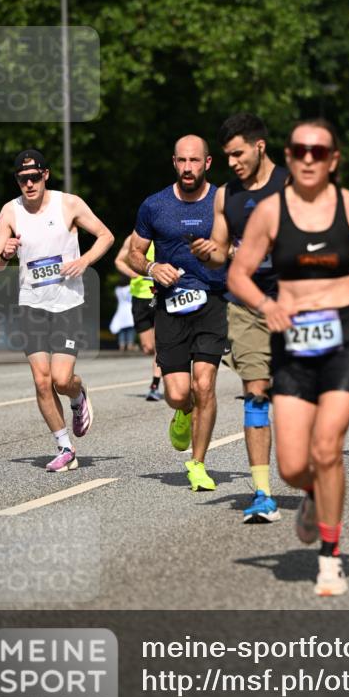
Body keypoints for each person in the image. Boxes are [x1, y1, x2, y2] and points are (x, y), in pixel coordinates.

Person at [228, 119, 349, 596]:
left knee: (327, 447)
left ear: (333, 159)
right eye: (300, 150)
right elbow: (239, 274)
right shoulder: (270, 211)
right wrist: (266, 305)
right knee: (292, 465)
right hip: (291, 342)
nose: (309, 157)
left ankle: (330, 557)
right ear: (289, 157)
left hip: (344, 339)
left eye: (319, 150)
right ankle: (310, 493)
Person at [0, 149, 114, 471]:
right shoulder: (10, 211)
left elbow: (105, 236)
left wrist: (84, 261)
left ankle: (77, 394)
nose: (28, 184)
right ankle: (64, 447)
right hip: (31, 303)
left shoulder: (68, 204)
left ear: (45, 175)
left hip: (67, 303)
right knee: (42, 381)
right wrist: (4, 253)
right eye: (22, 179)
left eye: (34, 177)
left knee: (61, 380)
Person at [190, 113, 287, 522]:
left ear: (259, 146)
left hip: (296, 301)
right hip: (246, 304)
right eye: (226, 155)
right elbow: (220, 248)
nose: (231, 162)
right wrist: (207, 251)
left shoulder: (292, 185)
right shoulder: (225, 195)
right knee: (256, 390)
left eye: (237, 153)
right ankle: (263, 492)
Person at [129, 135, 227, 491]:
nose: (188, 168)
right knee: (177, 391)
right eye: (182, 161)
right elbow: (134, 253)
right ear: (174, 162)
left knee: (205, 384)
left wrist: (221, 254)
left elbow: (245, 245)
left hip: (213, 301)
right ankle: (182, 411)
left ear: (208, 163)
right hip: (170, 305)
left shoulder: (222, 201)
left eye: (195, 161)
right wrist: (153, 268)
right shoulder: (154, 206)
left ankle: (198, 463)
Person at [115, 235, 163, 400]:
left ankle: (155, 385)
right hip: (139, 298)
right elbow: (119, 261)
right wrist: (132, 273)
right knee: (148, 347)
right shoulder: (132, 239)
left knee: (160, 344)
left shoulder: (163, 235)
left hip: (158, 295)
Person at [109, 276, 136, 350]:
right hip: (130, 310)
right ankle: (130, 344)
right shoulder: (130, 288)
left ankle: (122, 345)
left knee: (121, 329)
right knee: (131, 329)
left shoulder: (117, 289)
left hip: (121, 310)